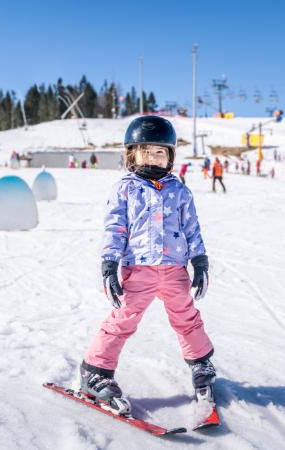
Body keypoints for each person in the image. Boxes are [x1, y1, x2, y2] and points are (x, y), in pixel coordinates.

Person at [77, 116, 216, 414]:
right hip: (137, 269)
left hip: (175, 269)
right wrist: (109, 263)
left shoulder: (180, 191)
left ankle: (201, 362)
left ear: (169, 157)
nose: (153, 157)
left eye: (159, 152)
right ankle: (95, 372)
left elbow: (192, 228)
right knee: (123, 318)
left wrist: (200, 260)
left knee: (186, 316)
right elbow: (115, 228)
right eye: (146, 151)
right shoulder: (125, 189)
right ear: (132, 154)